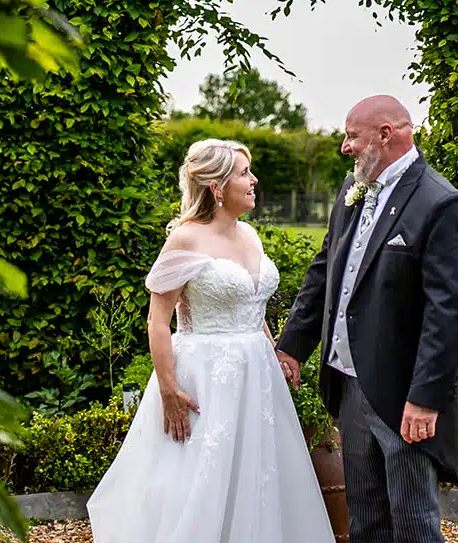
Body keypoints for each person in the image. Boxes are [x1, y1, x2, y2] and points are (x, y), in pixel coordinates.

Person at [88, 139, 335, 543]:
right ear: (217, 186)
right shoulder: (186, 239)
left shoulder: (251, 235)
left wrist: (276, 355)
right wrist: (169, 389)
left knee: (259, 475)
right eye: (244, 173)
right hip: (204, 377)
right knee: (200, 478)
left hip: (257, 374)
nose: (254, 180)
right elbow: (157, 321)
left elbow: (253, 309)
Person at [277, 96, 458, 543]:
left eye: (352, 136)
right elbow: (324, 272)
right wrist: (292, 345)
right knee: (365, 518)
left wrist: (425, 399)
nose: (345, 147)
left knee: (412, 521)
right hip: (349, 385)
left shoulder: (440, 204)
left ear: (385, 135)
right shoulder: (352, 195)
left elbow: (448, 312)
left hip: (400, 393)